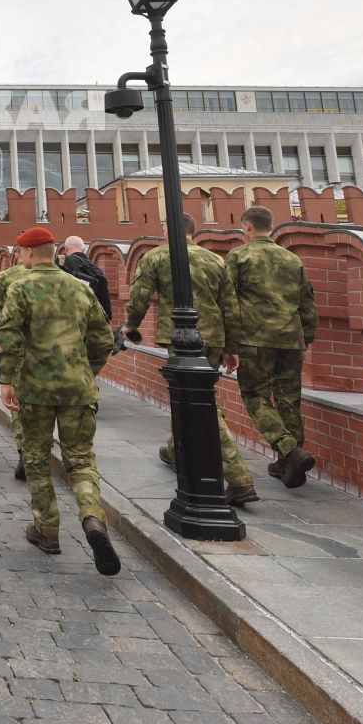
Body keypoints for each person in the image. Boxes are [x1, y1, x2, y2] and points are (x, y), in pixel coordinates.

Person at [0, 227, 121, 574]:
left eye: (22, 253)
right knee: (80, 460)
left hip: (35, 389)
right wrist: (86, 371)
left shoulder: (21, 287)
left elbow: (7, 335)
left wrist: (7, 379)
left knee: (36, 457)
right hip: (77, 389)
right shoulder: (81, 289)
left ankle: (47, 529)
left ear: (31, 253)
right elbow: (101, 338)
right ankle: (93, 518)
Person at [127, 214, 259, 507]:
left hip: (181, 336)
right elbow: (230, 305)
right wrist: (231, 346)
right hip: (212, 336)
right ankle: (176, 451)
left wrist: (130, 325)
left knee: (203, 404)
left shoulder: (158, 256)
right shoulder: (215, 260)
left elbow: (140, 295)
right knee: (192, 396)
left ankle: (239, 478)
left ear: (167, 229)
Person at [226, 206, 319, 487]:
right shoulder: (292, 260)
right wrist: (305, 338)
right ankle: (287, 465)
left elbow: (228, 303)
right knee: (289, 399)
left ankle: (289, 449)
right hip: (291, 339)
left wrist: (229, 345)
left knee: (256, 395)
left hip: (254, 339)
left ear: (247, 227)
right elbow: (308, 305)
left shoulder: (239, 256)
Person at [0, 249, 39, 482]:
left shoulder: (7, 277)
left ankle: (25, 453)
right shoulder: (65, 279)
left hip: (16, 351)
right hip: (54, 356)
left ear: (21, 254)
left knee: (18, 403)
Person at [58, 236, 113, 322]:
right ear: (83, 249)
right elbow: (105, 301)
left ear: (66, 248)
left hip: (66, 319)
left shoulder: (61, 261)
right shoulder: (96, 269)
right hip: (89, 319)